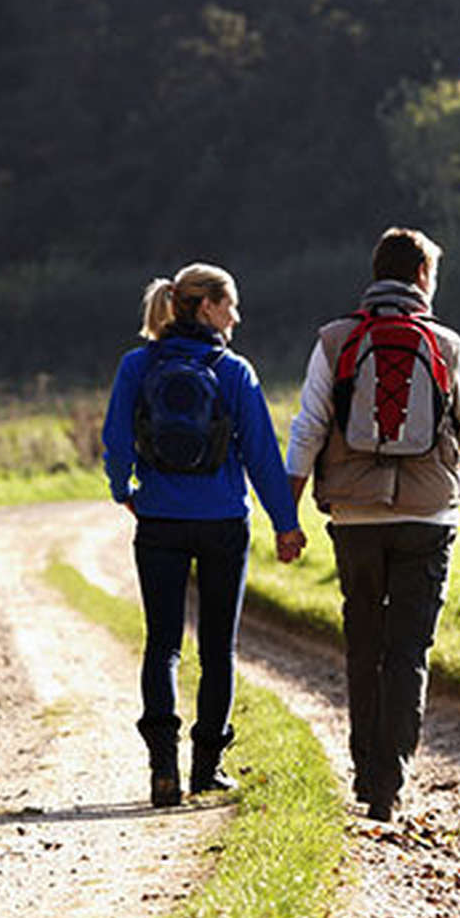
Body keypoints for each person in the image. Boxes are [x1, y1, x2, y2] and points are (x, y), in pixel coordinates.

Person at [285, 227, 460, 822]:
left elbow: (309, 428)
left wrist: (285, 512)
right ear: (422, 274)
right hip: (428, 515)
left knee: (363, 642)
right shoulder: (446, 344)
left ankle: (365, 767)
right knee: (409, 649)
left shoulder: (335, 339)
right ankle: (389, 783)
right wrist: (441, 469)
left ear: (377, 274)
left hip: (354, 515)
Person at [102, 263, 306, 808]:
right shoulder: (235, 370)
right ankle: (207, 767)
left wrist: (124, 488)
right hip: (222, 523)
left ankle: (162, 768)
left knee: (163, 644)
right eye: (230, 305)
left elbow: (116, 438)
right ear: (208, 307)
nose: (237, 317)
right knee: (218, 648)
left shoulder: (135, 365)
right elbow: (262, 454)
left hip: (160, 522)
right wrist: (286, 524)